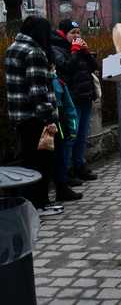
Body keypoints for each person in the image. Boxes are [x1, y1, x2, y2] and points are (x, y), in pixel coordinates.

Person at [4, 16, 62, 216]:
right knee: (42, 162)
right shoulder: (34, 52)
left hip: (20, 116)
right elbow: (38, 91)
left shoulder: (13, 48)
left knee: (28, 161)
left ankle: (32, 204)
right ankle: (40, 203)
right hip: (36, 119)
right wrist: (49, 118)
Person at [50, 19, 98, 183]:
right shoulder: (56, 48)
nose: (77, 36)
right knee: (71, 136)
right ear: (64, 34)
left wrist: (85, 52)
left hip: (85, 96)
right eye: (73, 33)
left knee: (82, 135)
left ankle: (80, 166)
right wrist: (75, 52)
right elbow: (66, 68)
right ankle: (67, 171)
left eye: (78, 32)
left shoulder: (77, 49)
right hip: (71, 99)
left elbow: (93, 67)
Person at [51, 67, 82, 202]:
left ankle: (62, 184)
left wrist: (72, 128)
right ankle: (61, 184)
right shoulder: (55, 82)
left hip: (60, 122)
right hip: (54, 120)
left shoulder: (59, 82)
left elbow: (69, 108)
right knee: (57, 156)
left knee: (61, 155)